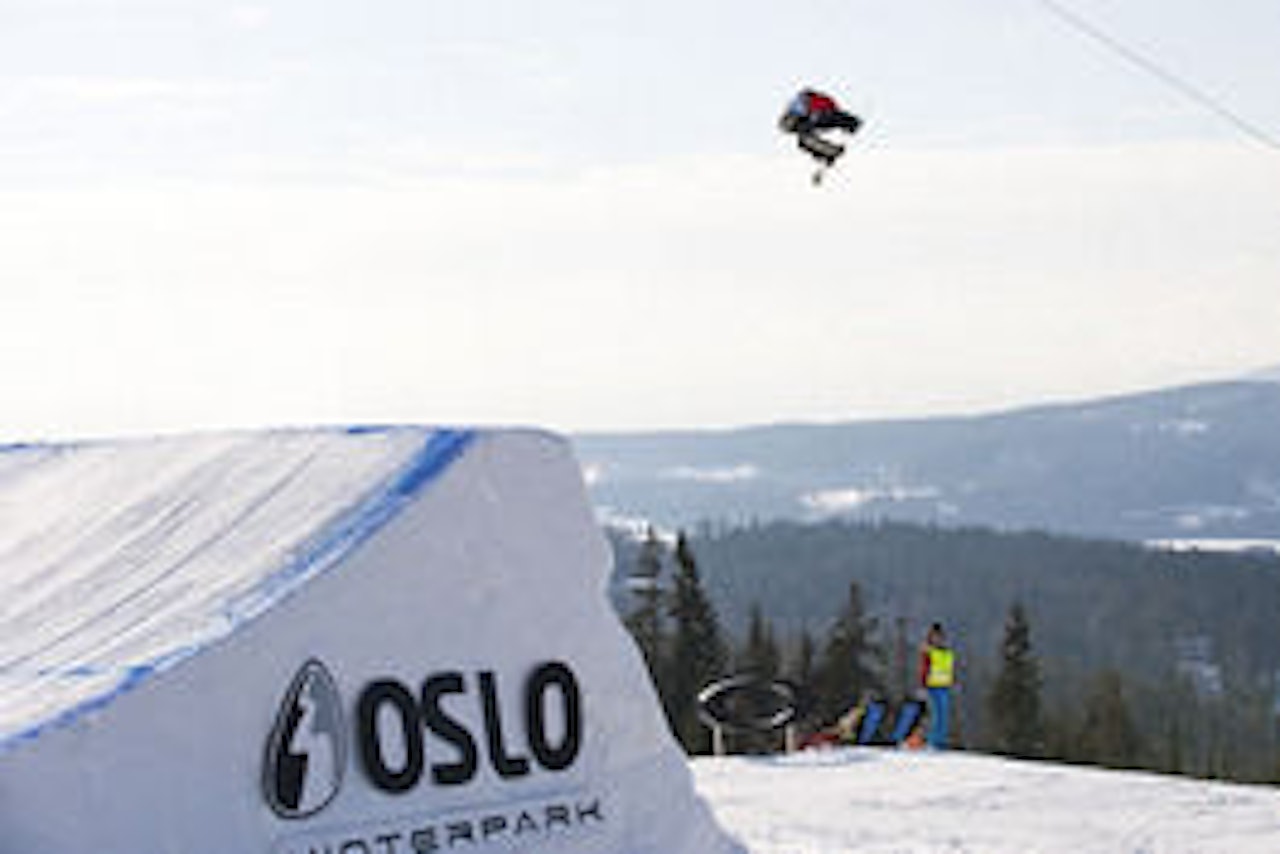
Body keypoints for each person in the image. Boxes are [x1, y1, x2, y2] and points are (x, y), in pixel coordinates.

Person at [777, 88, 864, 167]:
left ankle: (830, 151)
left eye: (791, 129)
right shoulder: (799, 113)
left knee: (805, 139)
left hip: (822, 112)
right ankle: (829, 152)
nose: (793, 132)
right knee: (803, 142)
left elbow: (823, 112)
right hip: (823, 113)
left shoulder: (797, 109)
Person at [918, 622, 956, 749]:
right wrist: (923, 685)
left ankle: (940, 741)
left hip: (944, 687)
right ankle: (931, 741)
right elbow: (924, 668)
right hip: (932, 686)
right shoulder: (929, 651)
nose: (937, 639)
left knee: (943, 716)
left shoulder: (947, 652)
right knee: (934, 715)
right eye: (935, 636)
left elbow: (949, 669)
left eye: (939, 636)